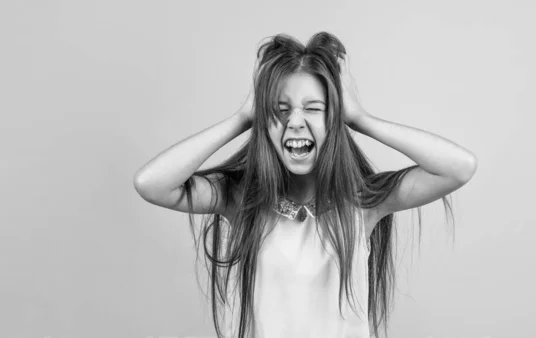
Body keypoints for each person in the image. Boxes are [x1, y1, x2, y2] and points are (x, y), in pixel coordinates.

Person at [133, 32, 477, 338]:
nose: (295, 122)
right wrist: (242, 119)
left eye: (313, 108)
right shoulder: (241, 198)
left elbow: (458, 168)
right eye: (280, 110)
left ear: (334, 119)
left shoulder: (362, 202)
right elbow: (151, 184)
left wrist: (360, 118)